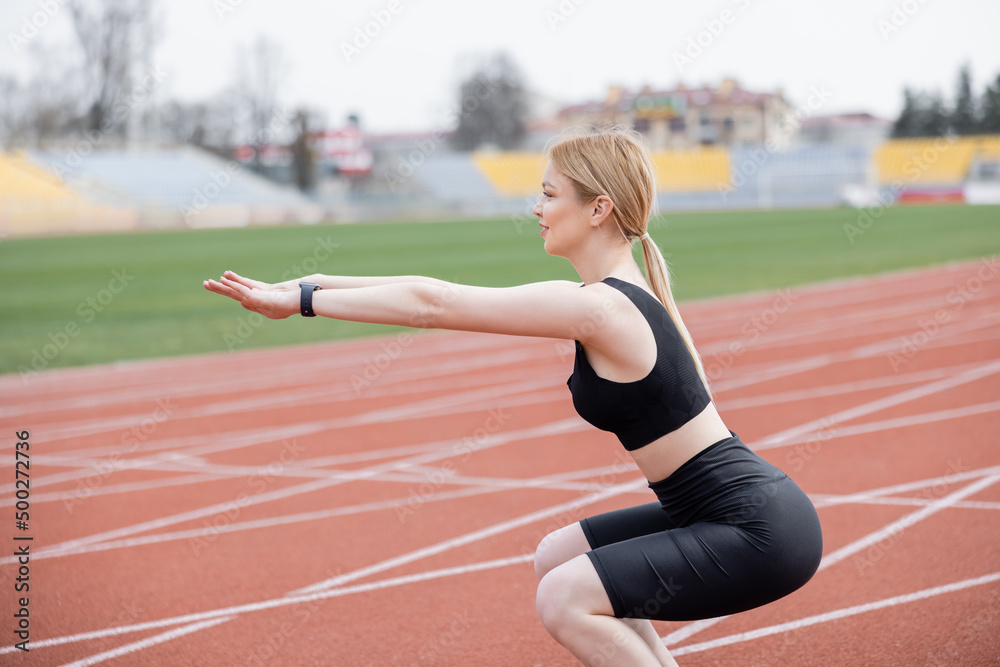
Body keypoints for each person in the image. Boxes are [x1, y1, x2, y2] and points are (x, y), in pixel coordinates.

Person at [203, 125, 823, 666]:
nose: (537, 208)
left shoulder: (603, 308)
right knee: (559, 558)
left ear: (599, 208)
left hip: (760, 530)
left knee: (565, 596)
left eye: (550, 195)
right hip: (726, 513)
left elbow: (435, 303)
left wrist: (306, 302)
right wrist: (306, 285)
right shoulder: (610, 296)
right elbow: (431, 290)